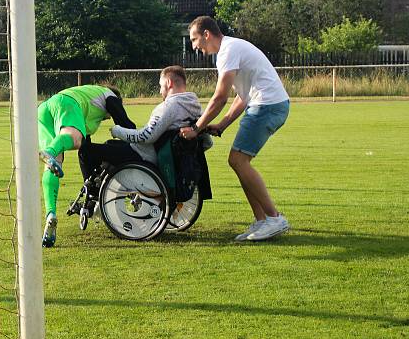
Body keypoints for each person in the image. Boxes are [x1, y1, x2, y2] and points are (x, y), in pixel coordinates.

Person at [180, 16, 290, 242]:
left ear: (207, 34)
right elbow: (242, 95)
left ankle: (274, 217)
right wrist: (222, 124)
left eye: (194, 39)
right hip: (269, 104)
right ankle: (262, 221)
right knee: (239, 161)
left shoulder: (227, 52)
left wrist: (196, 128)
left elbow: (220, 98)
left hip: (267, 106)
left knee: (238, 161)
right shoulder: (231, 48)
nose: (193, 46)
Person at [37, 84, 135, 247]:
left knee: (53, 164)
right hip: (65, 103)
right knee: (74, 139)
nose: (108, 118)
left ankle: (50, 214)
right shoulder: (109, 95)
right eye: (108, 116)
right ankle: (49, 151)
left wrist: (90, 189)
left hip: (44, 110)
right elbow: (125, 124)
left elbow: (85, 153)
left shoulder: (89, 103)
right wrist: (144, 139)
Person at [77, 66, 206, 180]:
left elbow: (146, 136)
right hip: (162, 155)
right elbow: (207, 142)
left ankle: (91, 197)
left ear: (169, 82)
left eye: (161, 86)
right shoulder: (196, 107)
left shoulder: (169, 106)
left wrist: (118, 131)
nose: (160, 91)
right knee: (109, 145)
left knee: (86, 151)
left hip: (144, 155)